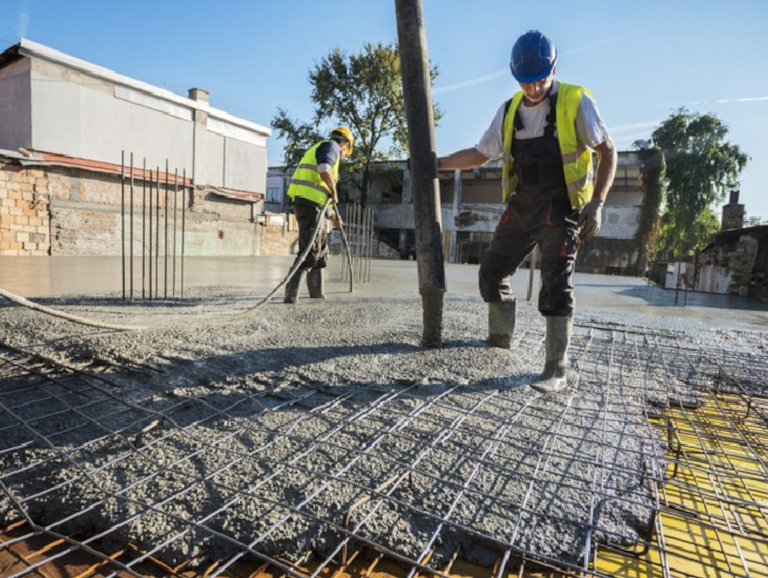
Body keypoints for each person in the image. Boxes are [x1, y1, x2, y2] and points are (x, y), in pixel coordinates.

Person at [437, 30, 617, 393]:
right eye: (525, 81)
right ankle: (500, 340)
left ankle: (555, 368)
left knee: (555, 285)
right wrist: (437, 163)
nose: (533, 88)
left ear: (552, 69)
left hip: (562, 206)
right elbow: (480, 153)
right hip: (522, 205)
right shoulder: (508, 111)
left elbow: (607, 150)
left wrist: (597, 203)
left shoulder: (574, 101)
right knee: (491, 274)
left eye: (539, 80)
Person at [284, 127, 354, 303]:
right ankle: (290, 297)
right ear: (345, 144)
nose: (345, 153)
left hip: (313, 205)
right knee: (309, 251)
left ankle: (317, 295)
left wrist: (333, 217)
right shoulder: (331, 147)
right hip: (309, 206)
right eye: (347, 150)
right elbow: (324, 169)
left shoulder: (323, 147)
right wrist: (334, 190)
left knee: (320, 253)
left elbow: (320, 197)